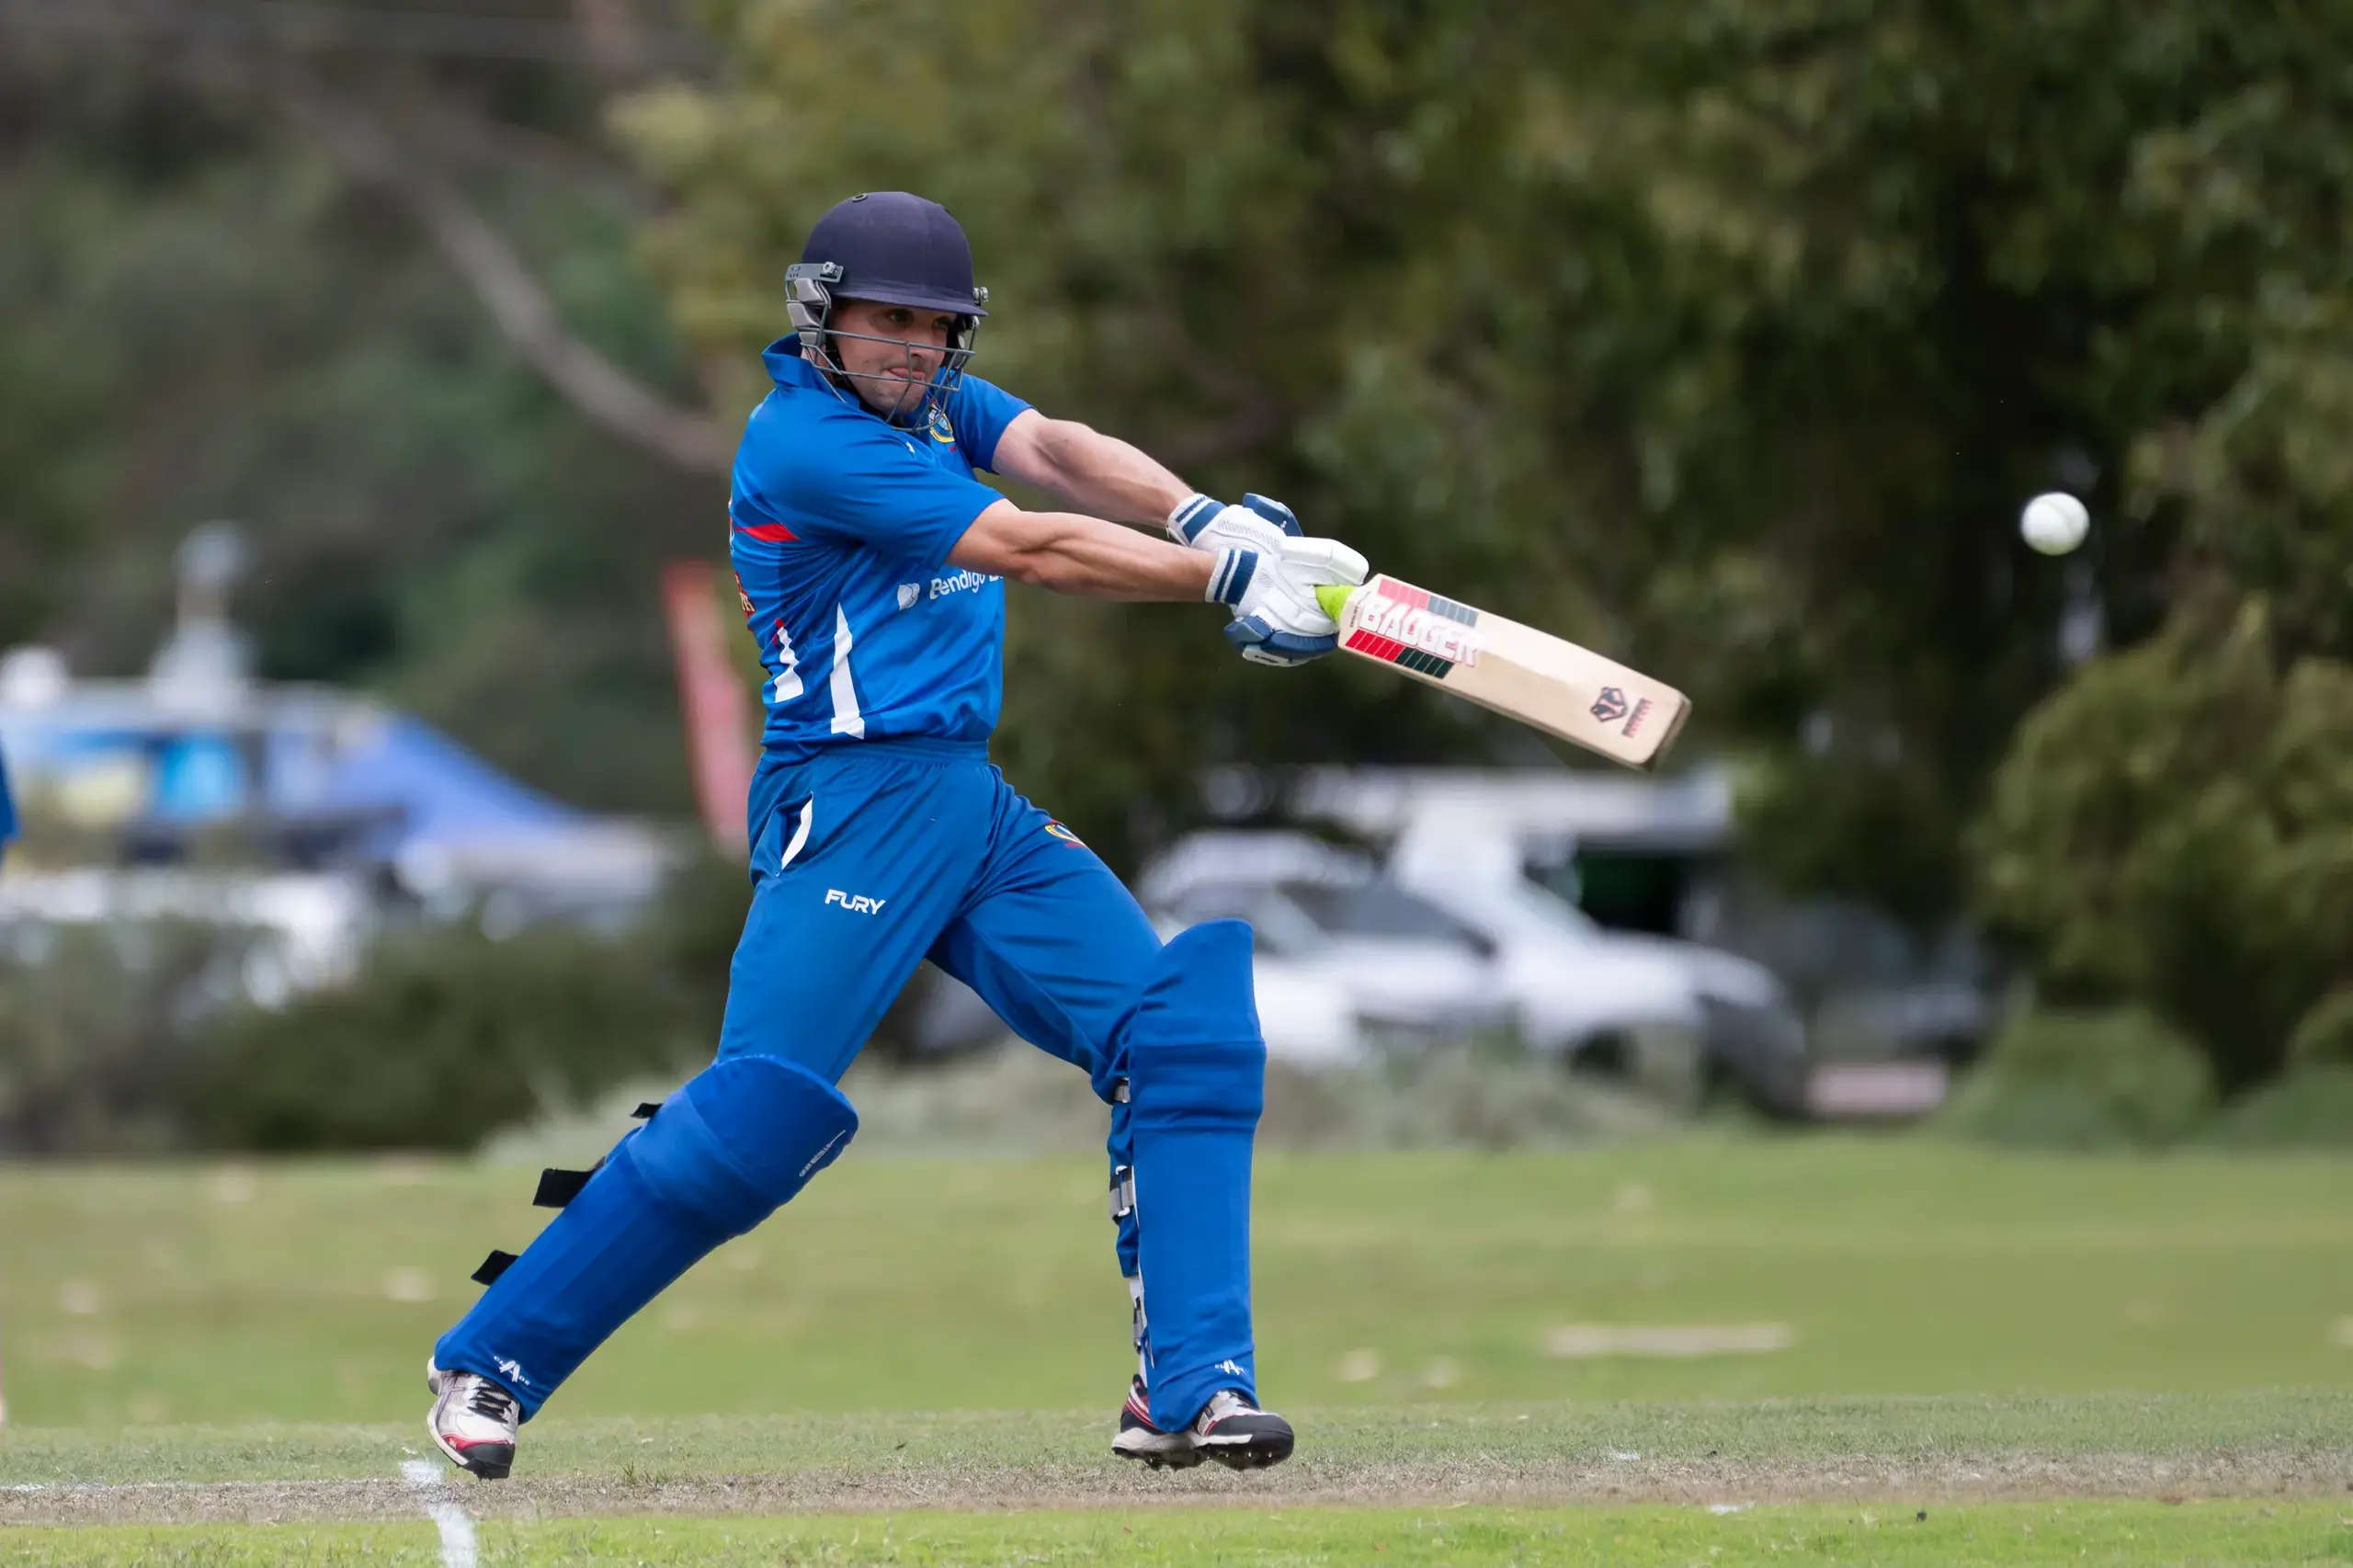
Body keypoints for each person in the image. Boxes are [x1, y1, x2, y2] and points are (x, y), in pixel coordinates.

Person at [426, 191, 1365, 1481]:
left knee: (1181, 1033)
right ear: (823, 318)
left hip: (968, 803)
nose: (914, 348)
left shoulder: (931, 407)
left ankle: (1192, 1389)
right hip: (850, 806)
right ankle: (492, 1357)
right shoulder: (806, 441)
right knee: (752, 1120)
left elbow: (1063, 451)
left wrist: (1209, 517)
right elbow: (1031, 545)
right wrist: (1225, 580)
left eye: (937, 328)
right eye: (887, 324)